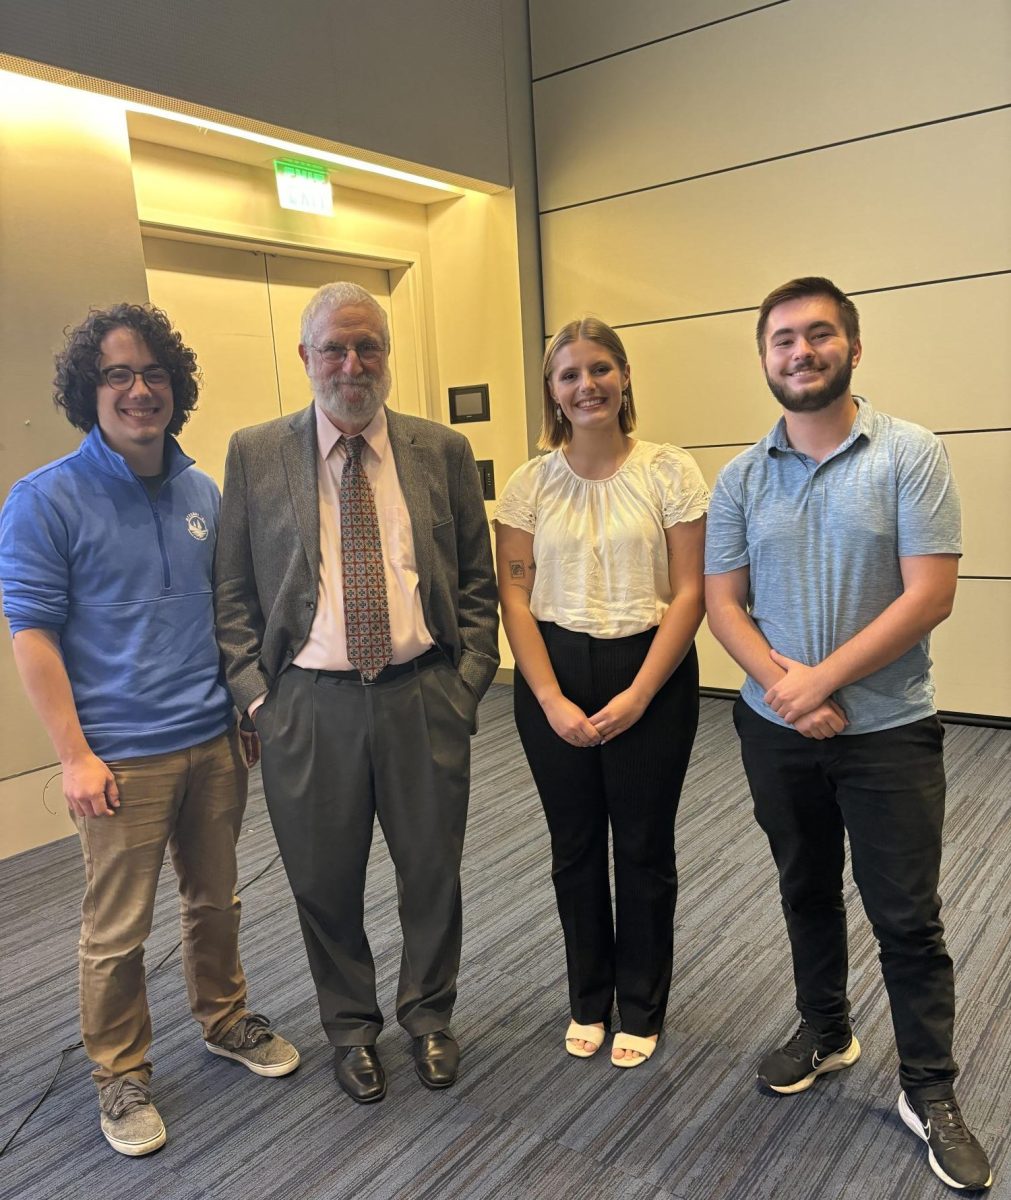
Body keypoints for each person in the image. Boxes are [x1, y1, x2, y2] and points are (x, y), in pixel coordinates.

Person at [704, 276, 991, 1190]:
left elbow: (929, 595)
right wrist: (790, 693)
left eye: (818, 335)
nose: (800, 351)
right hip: (775, 730)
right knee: (803, 888)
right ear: (764, 359)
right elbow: (722, 604)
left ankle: (927, 1087)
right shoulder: (741, 476)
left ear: (852, 349)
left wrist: (818, 682)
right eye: (782, 339)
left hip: (888, 733)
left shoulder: (910, 454)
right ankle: (826, 1032)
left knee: (906, 916)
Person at [0, 304, 299, 1158]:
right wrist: (73, 755)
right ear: (87, 391)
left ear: (177, 386)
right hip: (117, 757)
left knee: (215, 899)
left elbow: (220, 617)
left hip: (209, 739)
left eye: (155, 374)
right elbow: (33, 636)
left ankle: (223, 1019)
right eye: (118, 376)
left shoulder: (203, 490)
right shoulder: (44, 499)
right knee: (117, 928)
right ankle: (119, 1071)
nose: (140, 391)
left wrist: (236, 707)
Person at [214, 281, 498, 1105]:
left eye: (367, 345)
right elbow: (231, 590)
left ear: (387, 354)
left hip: (422, 697)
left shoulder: (438, 450)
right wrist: (258, 696)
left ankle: (429, 1017)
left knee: (431, 871)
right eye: (334, 348)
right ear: (304, 357)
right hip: (307, 705)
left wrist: (468, 681)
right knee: (322, 879)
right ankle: (350, 1027)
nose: (351, 363)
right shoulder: (255, 452)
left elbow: (476, 580)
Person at [494, 317, 707, 1067]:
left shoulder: (668, 471)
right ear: (552, 392)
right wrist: (549, 698)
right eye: (568, 375)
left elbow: (688, 595)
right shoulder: (528, 483)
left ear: (623, 379)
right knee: (574, 845)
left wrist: (643, 694)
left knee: (643, 847)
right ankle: (589, 996)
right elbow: (514, 601)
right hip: (552, 674)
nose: (586, 385)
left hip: (651, 672)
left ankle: (641, 1005)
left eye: (599, 369)